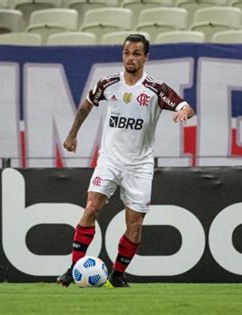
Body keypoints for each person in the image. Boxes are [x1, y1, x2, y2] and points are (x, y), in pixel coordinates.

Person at [57, 34, 195, 288]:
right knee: (91, 208)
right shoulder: (108, 83)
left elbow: (185, 106)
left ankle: (117, 276)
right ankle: (74, 268)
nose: (130, 58)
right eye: (126, 53)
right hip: (109, 160)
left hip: (139, 166)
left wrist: (184, 111)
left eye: (136, 54)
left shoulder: (155, 89)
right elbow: (87, 105)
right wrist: (72, 133)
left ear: (145, 57)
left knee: (135, 225)